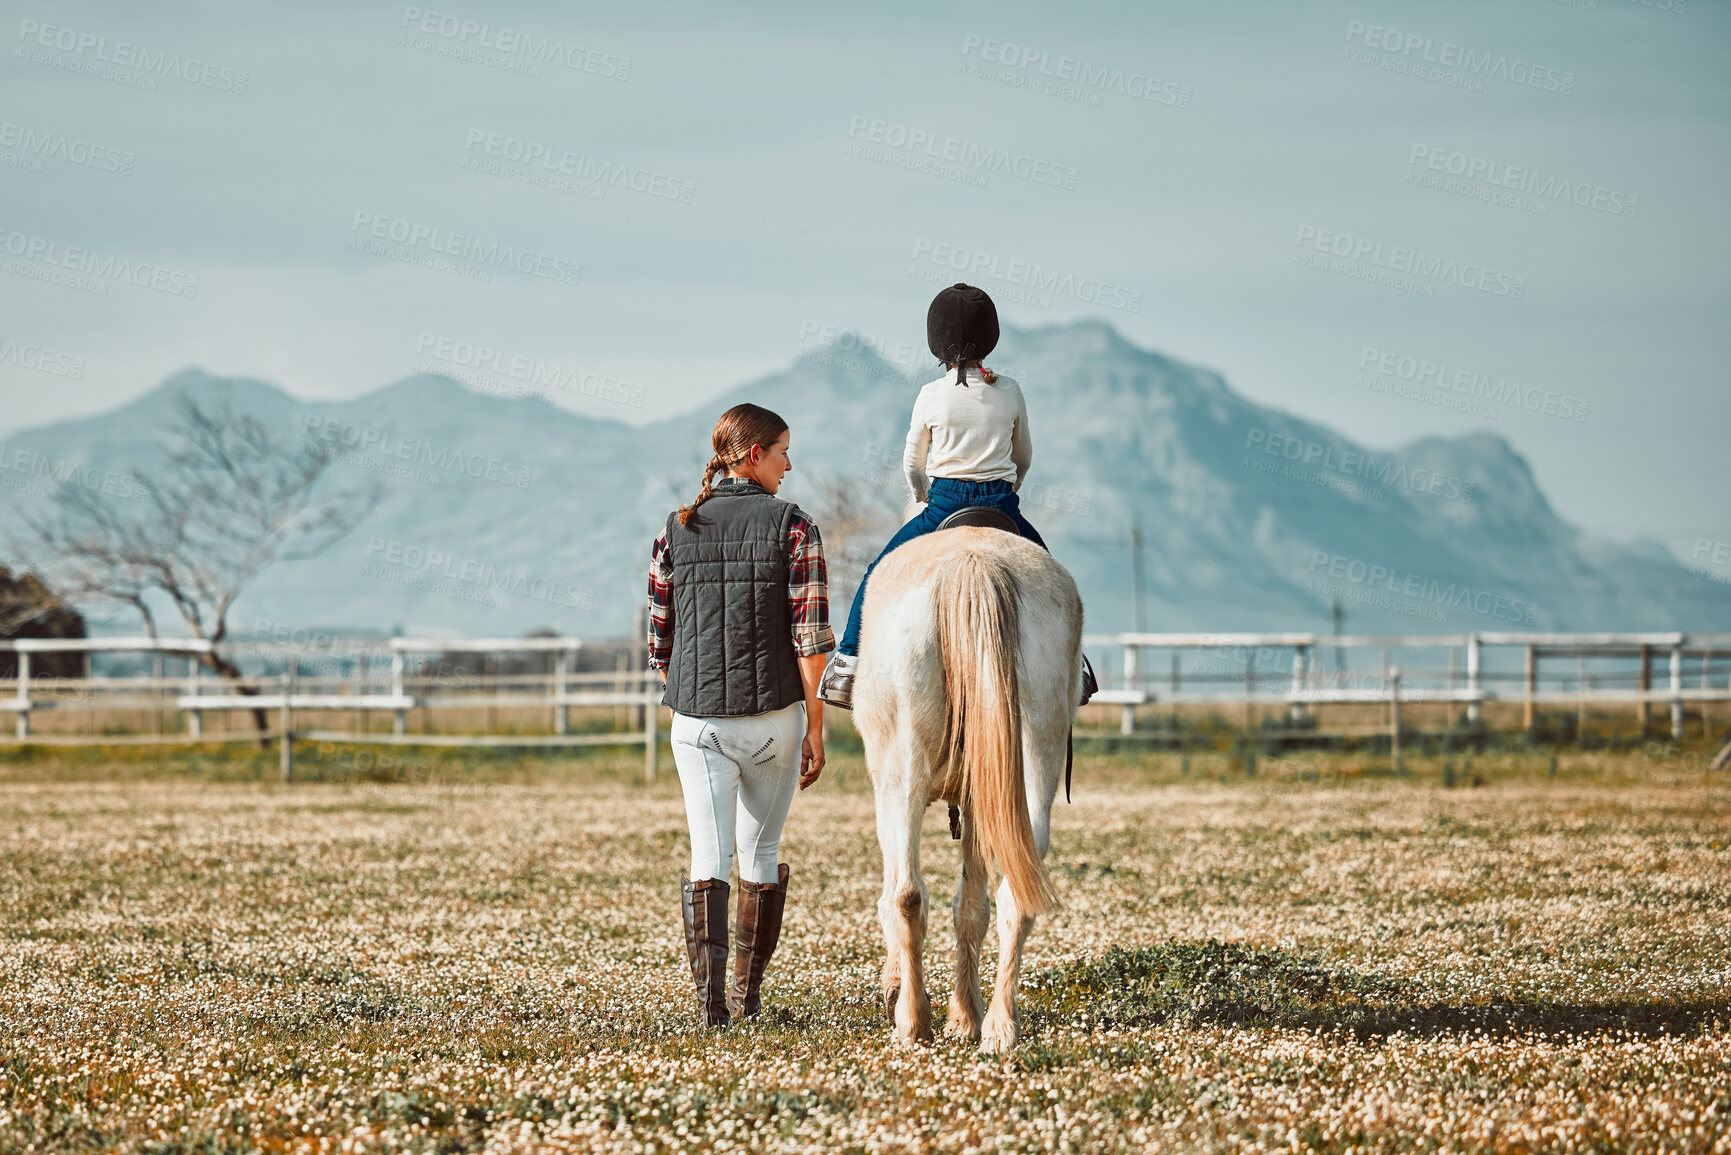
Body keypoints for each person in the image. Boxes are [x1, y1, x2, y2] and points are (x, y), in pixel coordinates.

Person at [818, 283, 1096, 709]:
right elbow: (1024, 455)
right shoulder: (1011, 390)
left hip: (944, 503)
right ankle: (1075, 665)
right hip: (1002, 504)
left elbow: (913, 463)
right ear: (991, 338)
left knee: (878, 572)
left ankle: (848, 664)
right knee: (1049, 571)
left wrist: (922, 497)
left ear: (936, 342)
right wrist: (1010, 488)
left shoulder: (930, 394)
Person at [646, 402, 832, 1029]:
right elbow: (811, 641)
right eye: (783, 452)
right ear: (754, 455)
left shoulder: (675, 529)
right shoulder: (795, 525)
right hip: (774, 719)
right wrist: (816, 724)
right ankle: (748, 1004)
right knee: (761, 853)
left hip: (696, 723)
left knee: (708, 856)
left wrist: (699, 694)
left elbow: (660, 645)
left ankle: (710, 1012)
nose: (788, 465)